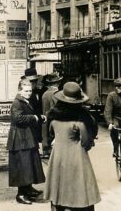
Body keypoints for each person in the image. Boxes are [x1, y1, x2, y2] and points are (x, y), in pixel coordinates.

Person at [43, 82, 101, 211]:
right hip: (76, 156)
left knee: (58, 184)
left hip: (58, 154)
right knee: (80, 184)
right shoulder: (82, 117)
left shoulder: (52, 115)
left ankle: (59, 204)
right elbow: (87, 141)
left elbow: (49, 134)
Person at [7, 79, 46, 205]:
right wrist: (34, 117)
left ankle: (27, 188)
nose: (29, 93)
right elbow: (17, 118)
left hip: (25, 137)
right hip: (20, 138)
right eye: (26, 91)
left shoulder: (24, 101)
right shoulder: (17, 102)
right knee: (23, 165)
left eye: (30, 90)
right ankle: (21, 194)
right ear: (20, 90)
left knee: (28, 164)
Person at [41, 73, 63, 159]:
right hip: (53, 120)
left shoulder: (44, 94)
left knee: (46, 137)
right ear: (57, 83)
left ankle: (46, 151)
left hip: (45, 119)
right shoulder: (57, 94)